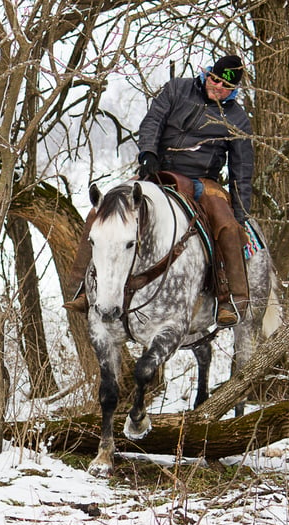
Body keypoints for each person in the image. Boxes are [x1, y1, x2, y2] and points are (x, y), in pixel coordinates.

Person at [64, 54, 254, 327]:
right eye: (215, 79)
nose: (218, 87)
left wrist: (241, 213)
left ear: (233, 90)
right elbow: (153, 121)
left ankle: (232, 299)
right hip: (156, 171)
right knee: (102, 211)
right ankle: (83, 287)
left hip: (202, 180)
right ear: (208, 74)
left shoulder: (237, 119)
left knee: (228, 226)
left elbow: (242, 169)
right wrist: (148, 153)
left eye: (225, 86)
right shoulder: (177, 89)